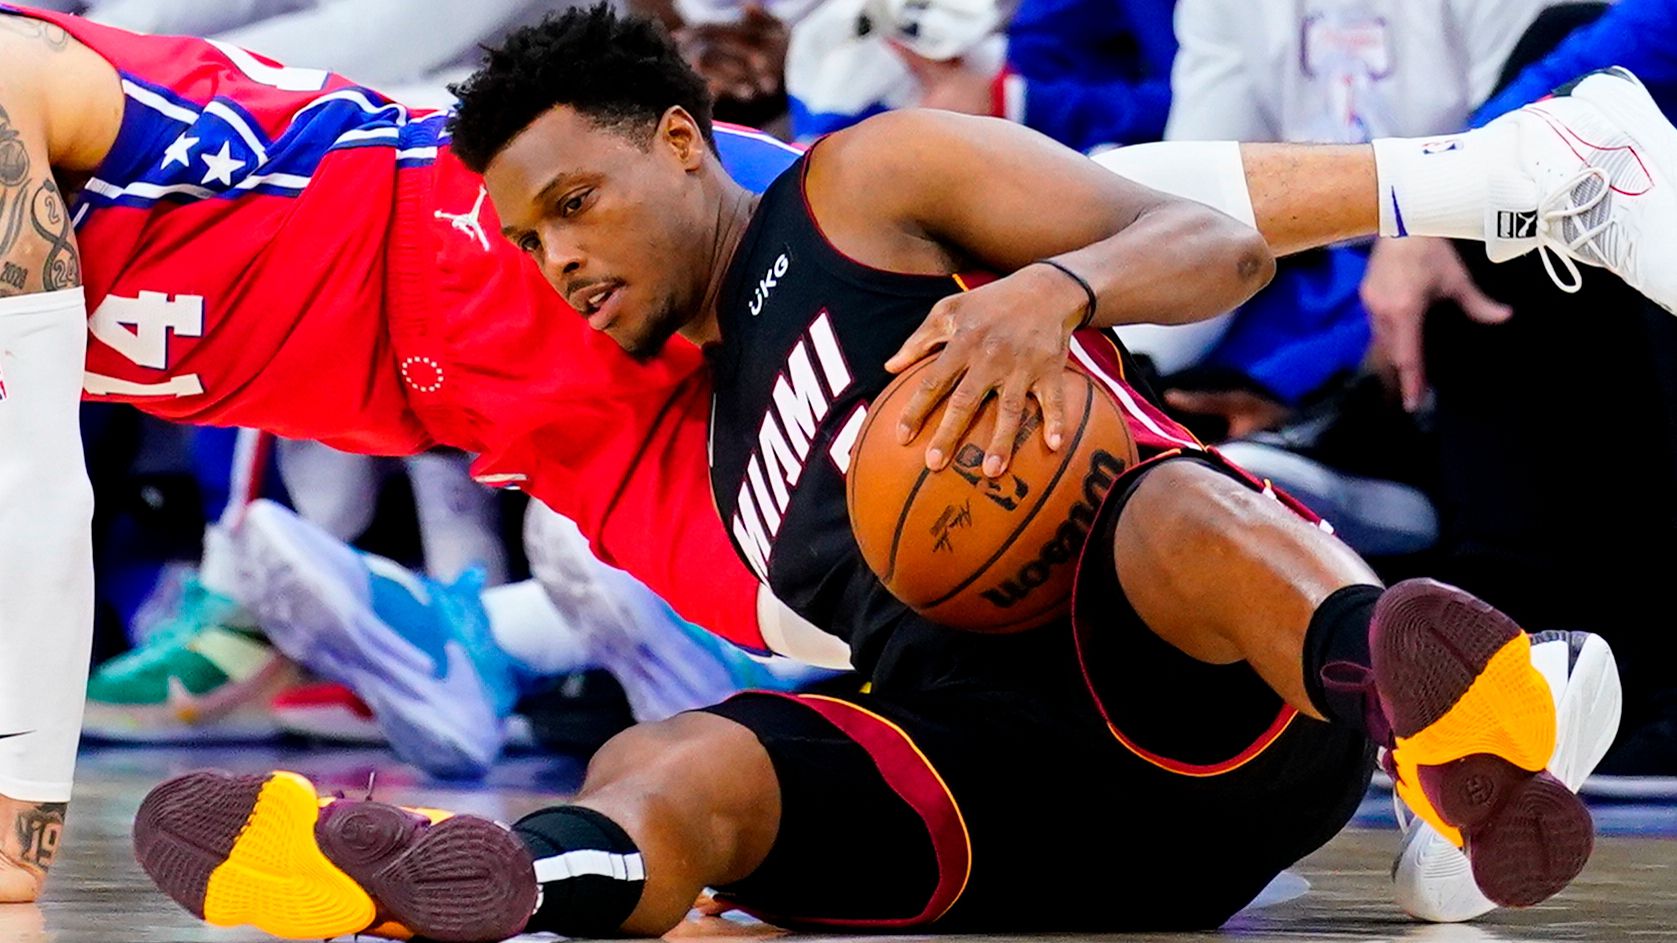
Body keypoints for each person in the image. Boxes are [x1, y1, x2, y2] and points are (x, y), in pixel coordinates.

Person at [131, 7, 1672, 940]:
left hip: (1212, 716)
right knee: (682, 758)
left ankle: (1428, 707)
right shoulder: (705, 458)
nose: (560, 262)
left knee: (1166, 508)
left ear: (682, 140)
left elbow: (1212, 242)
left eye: (578, 204)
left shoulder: (864, 187)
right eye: (530, 241)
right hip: (995, 807)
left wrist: (1054, 293)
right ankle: (489, 885)